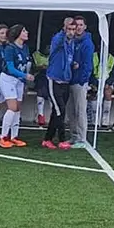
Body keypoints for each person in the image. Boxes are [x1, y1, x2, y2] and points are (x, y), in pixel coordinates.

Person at [42, 17, 76, 149]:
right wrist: (64, 30)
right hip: (54, 80)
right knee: (59, 110)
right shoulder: (58, 39)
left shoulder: (71, 42)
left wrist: (72, 65)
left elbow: (68, 58)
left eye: (73, 29)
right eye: (69, 29)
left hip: (65, 81)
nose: (71, 32)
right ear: (64, 28)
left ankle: (47, 138)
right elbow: (59, 39)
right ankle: (61, 139)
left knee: (57, 112)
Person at [0, 23, 34, 148]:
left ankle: (14, 136)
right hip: (8, 79)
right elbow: (10, 68)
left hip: (19, 81)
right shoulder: (10, 48)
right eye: (24, 31)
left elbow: (25, 65)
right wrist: (25, 76)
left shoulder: (25, 47)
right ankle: (3, 136)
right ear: (18, 34)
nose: (27, 32)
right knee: (12, 107)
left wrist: (24, 81)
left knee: (18, 108)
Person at [67, 16, 94, 148]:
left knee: (80, 110)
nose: (78, 27)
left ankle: (82, 138)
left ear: (85, 27)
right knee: (71, 110)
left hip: (79, 81)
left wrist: (83, 80)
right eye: (76, 25)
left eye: (80, 25)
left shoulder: (87, 43)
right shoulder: (72, 41)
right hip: (70, 80)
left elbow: (88, 64)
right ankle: (74, 136)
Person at [31, 44, 50, 127]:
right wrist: (41, 67)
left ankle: (47, 115)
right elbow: (32, 68)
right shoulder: (36, 55)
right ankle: (40, 115)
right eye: (47, 47)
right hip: (38, 77)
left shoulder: (54, 54)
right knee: (42, 79)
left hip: (51, 78)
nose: (49, 49)